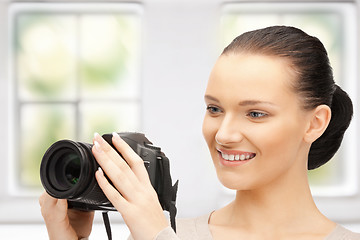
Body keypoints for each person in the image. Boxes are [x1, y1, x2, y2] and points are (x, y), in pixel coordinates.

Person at [39, 26, 360, 240]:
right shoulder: (171, 232)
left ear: (314, 123)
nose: (224, 134)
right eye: (215, 109)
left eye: (256, 113)